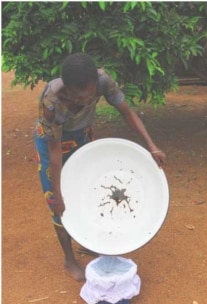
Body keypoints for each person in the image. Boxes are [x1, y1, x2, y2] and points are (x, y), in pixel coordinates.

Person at [35, 53, 166, 282]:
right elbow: (55, 152)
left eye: (87, 96)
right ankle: (69, 259)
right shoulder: (51, 102)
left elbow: (127, 112)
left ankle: (89, 241)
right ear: (67, 88)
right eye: (76, 97)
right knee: (58, 204)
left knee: (88, 188)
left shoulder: (104, 80)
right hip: (52, 145)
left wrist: (152, 145)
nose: (82, 101)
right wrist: (57, 193)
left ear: (94, 85)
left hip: (83, 136)